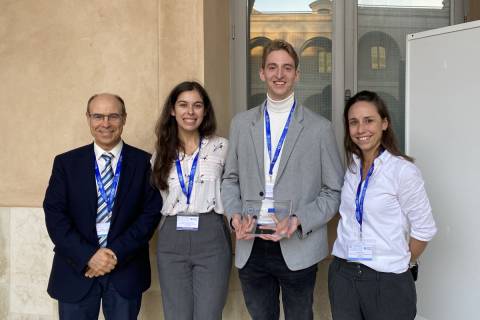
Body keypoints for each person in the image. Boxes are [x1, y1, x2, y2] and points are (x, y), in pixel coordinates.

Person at [221, 39, 344, 320]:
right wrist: (234, 216)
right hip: (250, 243)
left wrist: (299, 219)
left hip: (298, 244)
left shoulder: (320, 129)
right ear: (262, 72)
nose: (280, 74)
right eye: (273, 67)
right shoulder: (241, 124)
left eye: (287, 68)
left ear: (297, 74)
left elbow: (333, 191)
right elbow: (230, 179)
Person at [43, 93, 163, 319]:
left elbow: (149, 215)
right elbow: (55, 216)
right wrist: (89, 256)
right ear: (88, 118)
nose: (105, 123)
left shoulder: (145, 163)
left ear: (124, 119)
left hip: (125, 271)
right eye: (98, 116)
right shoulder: (66, 164)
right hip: (76, 270)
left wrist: (114, 254)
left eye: (113, 116)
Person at [329, 90, 437, 320]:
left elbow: (424, 229)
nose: (361, 129)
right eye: (354, 122)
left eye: (369, 120)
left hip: (387, 280)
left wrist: (397, 260)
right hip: (344, 275)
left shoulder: (403, 171)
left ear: (384, 123)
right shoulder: (352, 168)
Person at [151, 81, 232, 320]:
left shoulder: (222, 147)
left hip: (211, 235)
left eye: (197, 105)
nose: (190, 112)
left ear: (205, 111)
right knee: (176, 314)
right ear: (172, 110)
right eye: (183, 105)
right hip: (171, 237)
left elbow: (233, 189)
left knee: (209, 314)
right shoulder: (160, 153)